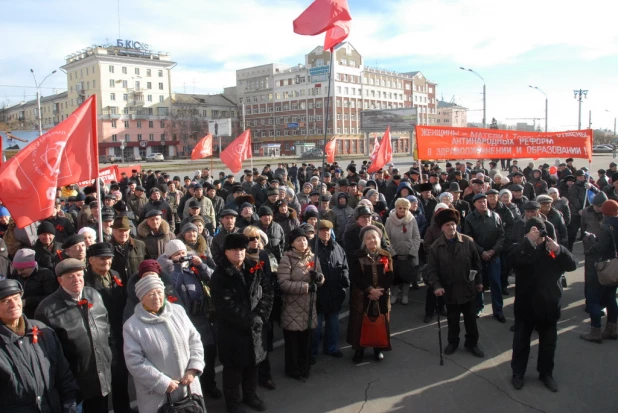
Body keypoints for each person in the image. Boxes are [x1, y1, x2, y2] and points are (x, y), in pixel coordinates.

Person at [35, 259, 113, 412]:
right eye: (70, 277)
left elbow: (107, 329)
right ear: (60, 280)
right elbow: (47, 355)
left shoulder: (94, 295)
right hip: (74, 387)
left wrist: (110, 356)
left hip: (101, 380)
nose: (76, 280)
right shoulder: (47, 309)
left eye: (79, 275)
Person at [510, 217, 577, 392]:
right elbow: (512, 262)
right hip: (526, 304)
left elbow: (572, 265)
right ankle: (518, 372)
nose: (538, 236)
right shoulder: (521, 249)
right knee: (521, 341)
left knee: (548, 343)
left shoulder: (553, 251)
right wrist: (528, 242)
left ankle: (546, 373)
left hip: (549, 304)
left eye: (540, 232)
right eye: (533, 231)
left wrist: (558, 249)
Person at [123, 274, 206, 412]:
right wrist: (162, 382)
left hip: (188, 390)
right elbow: (134, 362)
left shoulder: (178, 311)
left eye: (159, 292)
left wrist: (193, 368)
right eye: (150, 294)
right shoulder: (132, 326)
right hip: (157, 397)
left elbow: (195, 340)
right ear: (141, 298)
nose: (157, 297)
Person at [210, 233, 274, 413]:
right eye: (234, 250)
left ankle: (251, 395)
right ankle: (233, 403)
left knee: (253, 365)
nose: (238, 253)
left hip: (255, 327)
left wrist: (261, 314)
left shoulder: (254, 267)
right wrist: (249, 318)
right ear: (226, 252)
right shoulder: (220, 274)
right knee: (233, 370)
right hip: (232, 330)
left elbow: (267, 290)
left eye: (241, 249)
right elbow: (225, 304)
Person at [0, 279, 79, 412]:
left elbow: (62, 371)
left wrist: (69, 402)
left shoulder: (42, 331)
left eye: (16, 298)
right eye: (5, 301)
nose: (13, 304)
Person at [427, 208, 484, 358]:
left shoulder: (468, 241)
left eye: (453, 224)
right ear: (441, 228)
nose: (451, 228)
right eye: (447, 225)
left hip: (468, 288)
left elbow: (476, 264)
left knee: (471, 320)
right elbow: (432, 270)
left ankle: (472, 343)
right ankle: (453, 342)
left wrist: (478, 281)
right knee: (452, 320)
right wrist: (437, 286)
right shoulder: (435, 247)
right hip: (449, 291)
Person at [84, 242, 131, 413]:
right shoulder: (85, 282)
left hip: (118, 330)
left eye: (109, 258)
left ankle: (123, 408)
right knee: (101, 379)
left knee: (120, 375)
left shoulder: (115, 275)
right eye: (102, 258)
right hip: (98, 333)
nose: (106, 262)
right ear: (91, 260)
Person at [278, 228, 324, 381]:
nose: (303, 242)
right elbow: (283, 283)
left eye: (304, 239)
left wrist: (319, 278)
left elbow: (320, 277)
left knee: (306, 340)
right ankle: (293, 369)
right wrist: (306, 287)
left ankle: (304, 367)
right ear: (292, 244)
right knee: (293, 342)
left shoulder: (313, 256)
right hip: (292, 307)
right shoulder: (287, 259)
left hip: (309, 306)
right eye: (298, 240)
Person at [347, 225, 394, 363]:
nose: (372, 240)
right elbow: (356, 277)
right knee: (360, 323)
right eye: (368, 238)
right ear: (364, 241)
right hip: (362, 296)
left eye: (374, 237)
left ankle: (378, 348)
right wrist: (370, 290)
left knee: (379, 321)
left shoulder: (386, 255)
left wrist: (379, 290)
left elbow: (390, 276)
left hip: (381, 295)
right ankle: (359, 350)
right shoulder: (358, 256)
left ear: (379, 238)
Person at [242, 226, 279, 391]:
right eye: (251, 238)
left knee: (264, 344)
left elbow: (270, 280)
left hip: (264, 307)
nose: (255, 241)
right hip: (248, 308)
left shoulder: (265, 255)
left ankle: (265, 376)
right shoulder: (241, 258)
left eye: (257, 238)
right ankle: (250, 380)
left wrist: (266, 307)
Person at [581, 200, 618, 343]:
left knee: (593, 299)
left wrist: (591, 241)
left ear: (604, 212)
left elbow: (600, 247)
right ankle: (612, 328)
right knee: (610, 298)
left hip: (603, 266)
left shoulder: (606, 227)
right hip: (615, 267)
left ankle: (595, 331)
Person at [464, 193, 506, 321]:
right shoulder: (469, 219)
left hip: (494, 256)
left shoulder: (495, 216)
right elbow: (469, 238)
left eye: (484, 201)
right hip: (477, 256)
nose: (483, 204)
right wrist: (481, 252)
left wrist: (493, 251)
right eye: (479, 202)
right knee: (478, 283)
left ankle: (498, 310)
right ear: (474, 204)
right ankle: (478, 308)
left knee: (496, 283)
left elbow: (501, 236)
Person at [312, 219, 349, 361]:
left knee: (333, 325)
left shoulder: (337, 247)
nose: (325, 233)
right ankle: (313, 352)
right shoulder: (311, 247)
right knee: (315, 327)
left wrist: (345, 280)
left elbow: (345, 265)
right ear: (316, 231)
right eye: (322, 230)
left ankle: (331, 348)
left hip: (335, 292)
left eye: (327, 230)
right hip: (318, 294)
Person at [385, 198, 421, 304]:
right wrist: (392, 253)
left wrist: (412, 252)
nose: (402, 210)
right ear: (396, 208)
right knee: (395, 276)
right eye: (400, 208)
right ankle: (394, 295)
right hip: (395, 254)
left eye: (404, 208)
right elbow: (386, 238)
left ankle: (405, 295)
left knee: (407, 276)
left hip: (408, 253)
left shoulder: (412, 219)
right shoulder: (389, 220)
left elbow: (416, 237)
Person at [9, 248, 58, 318]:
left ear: (32, 265)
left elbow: (51, 297)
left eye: (22, 269)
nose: (19, 273)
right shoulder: (15, 274)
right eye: (17, 269)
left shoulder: (46, 275)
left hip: (40, 314)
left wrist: (28, 301)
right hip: (21, 314)